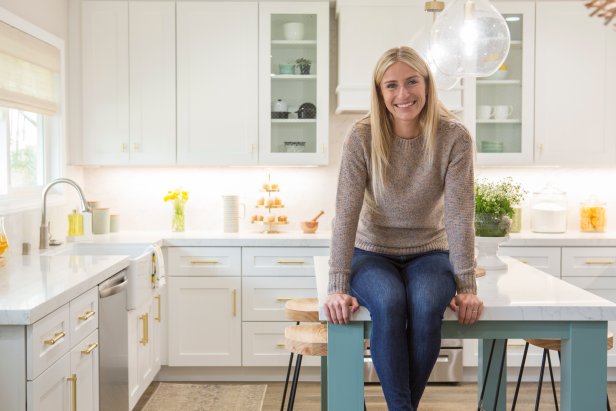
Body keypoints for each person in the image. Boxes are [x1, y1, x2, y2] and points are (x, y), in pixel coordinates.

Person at [324, 46, 484, 411]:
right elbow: (346, 212)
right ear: (379, 93)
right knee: (390, 302)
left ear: (427, 84)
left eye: (412, 82)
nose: (403, 94)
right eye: (391, 85)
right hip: (371, 251)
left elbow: (460, 215)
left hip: (430, 250)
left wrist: (467, 286)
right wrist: (336, 285)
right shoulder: (361, 136)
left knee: (427, 305)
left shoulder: (454, 137)